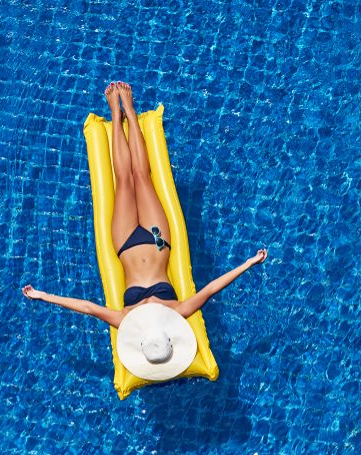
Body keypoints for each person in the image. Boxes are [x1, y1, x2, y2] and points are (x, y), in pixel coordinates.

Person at [22, 82, 266, 329]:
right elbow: (212, 288)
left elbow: (87, 307)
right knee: (142, 175)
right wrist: (248, 263)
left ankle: (116, 117)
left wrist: (43, 295)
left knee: (124, 181)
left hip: (126, 242)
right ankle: (129, 109)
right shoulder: (177, 311)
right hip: (157, 241)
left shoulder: (127, 320)